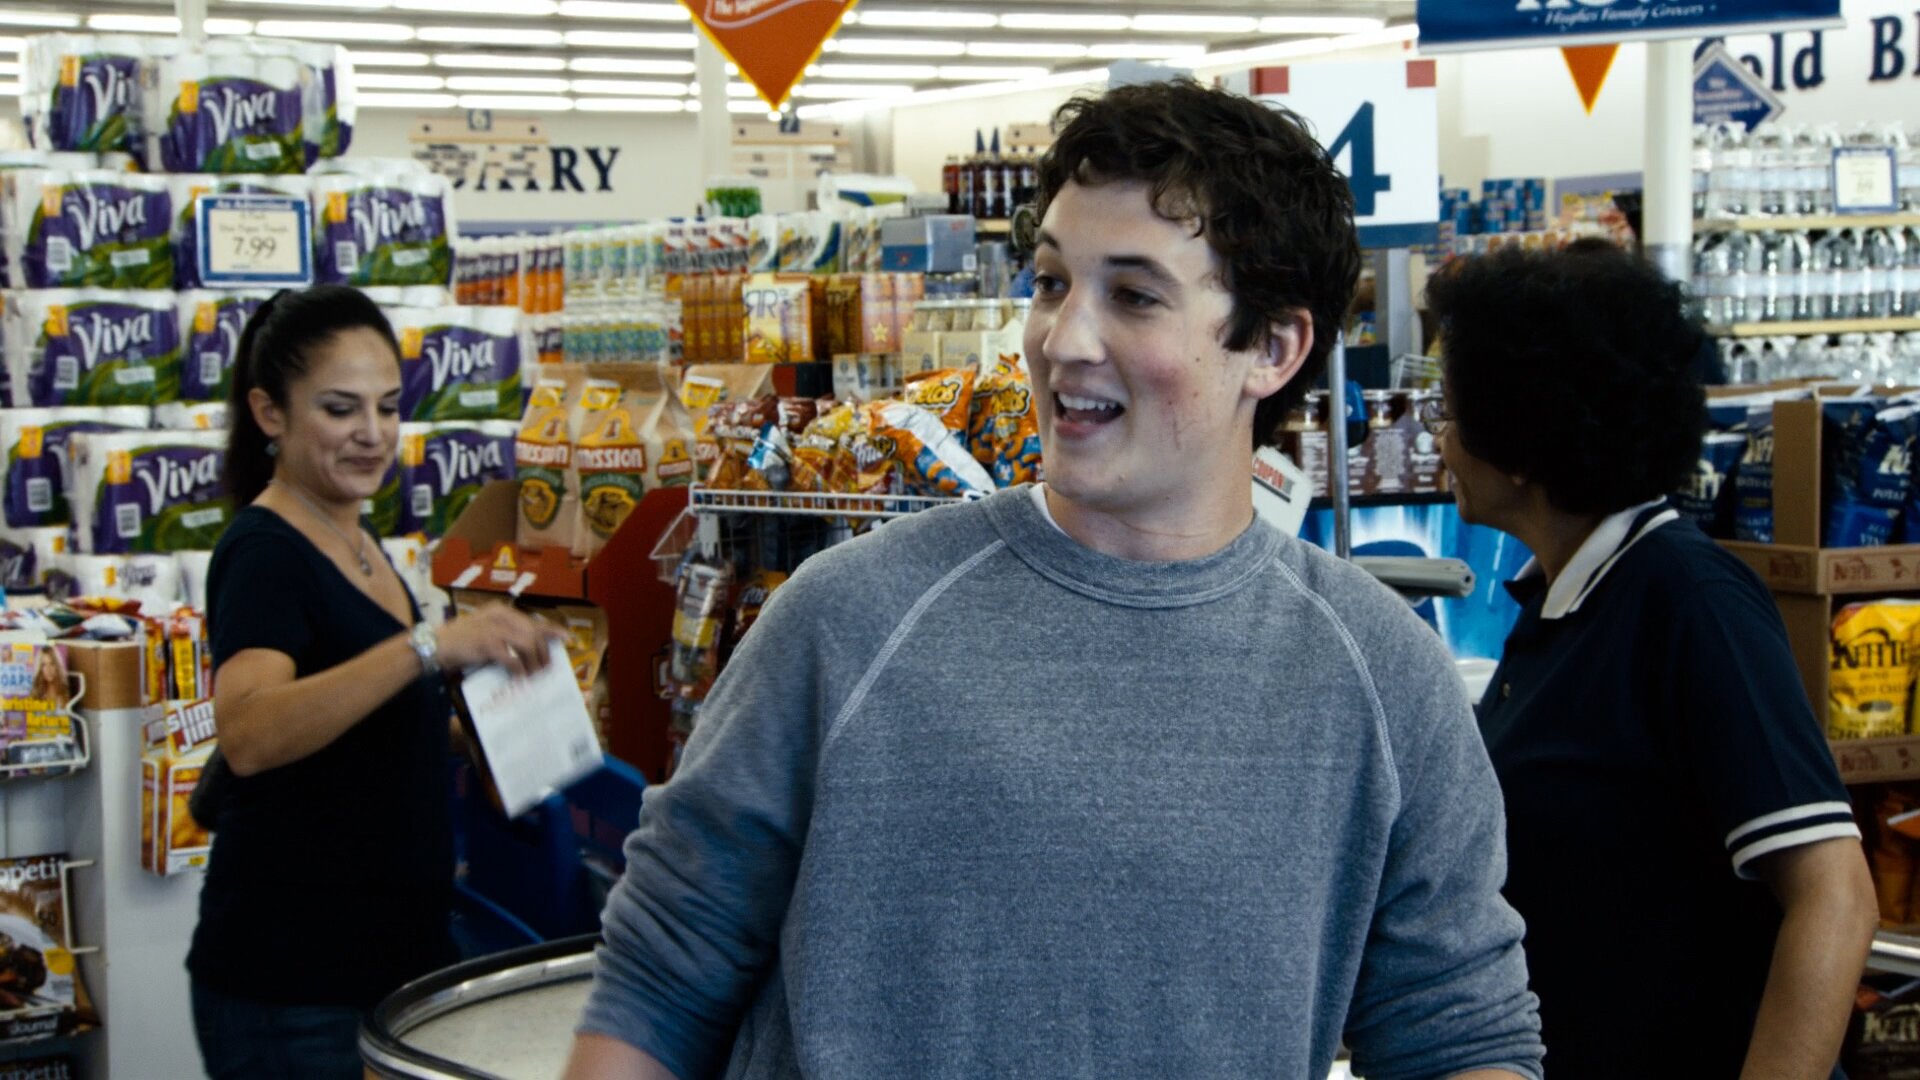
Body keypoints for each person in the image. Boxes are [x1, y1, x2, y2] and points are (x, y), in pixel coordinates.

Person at [566, 79, 1543, 1080]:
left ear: (1273, 347)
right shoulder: (847, 618)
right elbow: (661, 978)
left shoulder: (1383, 677)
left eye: (1134, 295)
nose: (1062, 340)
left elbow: (1458, 1028)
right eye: (1049, 283)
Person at [1426, 245, 1878, 1078]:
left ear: (1519, 441)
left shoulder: (1691, 602)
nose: (1440, 441)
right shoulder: (1558, 604)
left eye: (1448, 414)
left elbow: (1834, 895)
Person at [188, 285, 555, 1080]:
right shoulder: (265, 553)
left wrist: (500, 720)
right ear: (270, 413)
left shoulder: (357, 540)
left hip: (391, 970)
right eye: (340, 408)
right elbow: (249, 732)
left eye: (388, 407)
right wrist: (428, 646)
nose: (373, 433)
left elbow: (367, 724)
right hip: (295, 990)